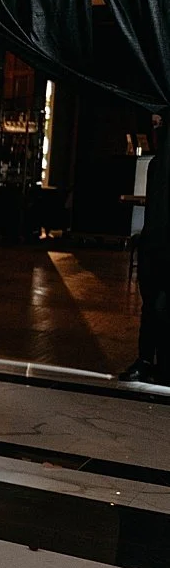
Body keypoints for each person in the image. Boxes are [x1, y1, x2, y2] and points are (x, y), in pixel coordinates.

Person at [122, 112, 168, 384]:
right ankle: (150, 361)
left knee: (158, 304)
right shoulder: (157, 166)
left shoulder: (159, 165)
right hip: (157, 244)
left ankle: (152, 361)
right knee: (154, 304)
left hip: (159, 244)